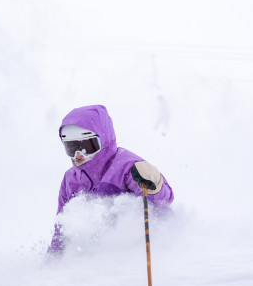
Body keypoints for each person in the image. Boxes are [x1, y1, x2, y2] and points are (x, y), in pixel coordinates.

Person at [48, 104, 173, 253]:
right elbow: (62, 228)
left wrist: (155, 185)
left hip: (139, 249)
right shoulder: (71, 179)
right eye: (71, 148)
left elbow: (164, 202)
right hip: (98, 256)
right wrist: (53, 260)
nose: (78, 155)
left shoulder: (126, 167)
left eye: (86, 147)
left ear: (104, 140)